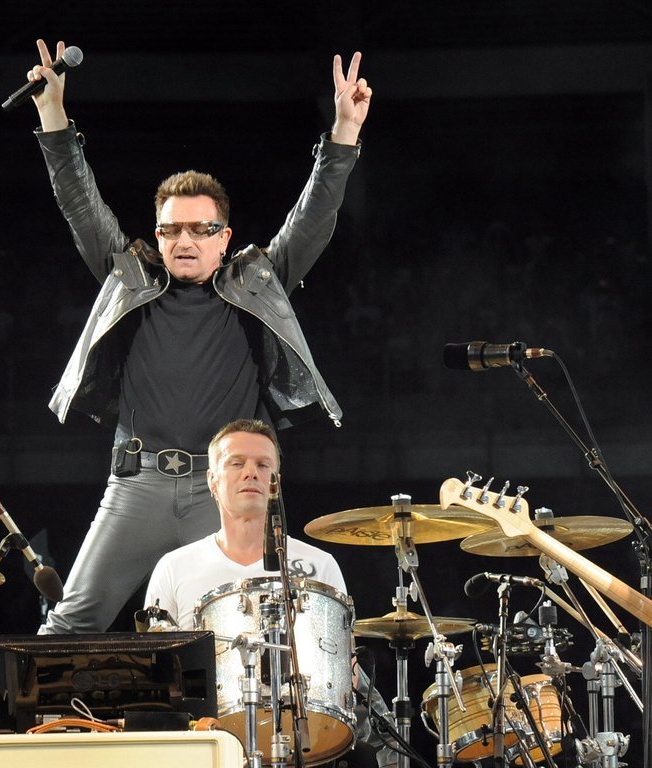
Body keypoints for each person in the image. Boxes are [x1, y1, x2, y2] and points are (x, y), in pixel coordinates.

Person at [27, 38, 372, 635]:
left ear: (224, 237)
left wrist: (343, 132)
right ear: (157, 236)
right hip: (137, 485)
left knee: (256, 635)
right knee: (68, 626)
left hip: (225, 489)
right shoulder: (128, 277)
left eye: (200, 229)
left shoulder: (258, 282)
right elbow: (81, 205)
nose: (184, 241)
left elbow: (313, 219)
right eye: (171, 230)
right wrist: (53, 113)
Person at [145, 419, 397, 768]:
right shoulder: (174, 567)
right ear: (212, 480)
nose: (251, 472)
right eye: (236, 463)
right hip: (206, 742)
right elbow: (156, 674)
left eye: (263, 465)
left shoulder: (319, 564)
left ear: (276, 481)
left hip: (302, 739)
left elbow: (345, 666)